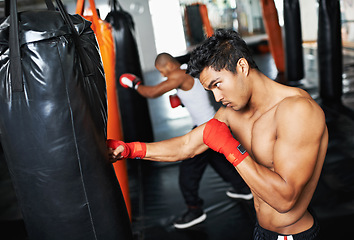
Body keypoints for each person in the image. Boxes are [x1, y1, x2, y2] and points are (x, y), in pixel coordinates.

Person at [108, 30, 328, 239]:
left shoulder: (297, 111)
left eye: (217, 84)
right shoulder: (231, 113)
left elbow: (285, 200)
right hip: (262, 231)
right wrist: (129, 149)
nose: (217, 97)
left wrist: (232, 149)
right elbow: (186, 146)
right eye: (210, 90)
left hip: (292, 235)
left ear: (241, 66)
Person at [118, 52, 252, 229]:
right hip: (216, 124)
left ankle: (194, 210)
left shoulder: (177, 75)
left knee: (187, 174)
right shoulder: (188, 70)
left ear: (167, 66)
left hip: (206, 130)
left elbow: (151, 92)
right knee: (218, 161)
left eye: (162, 71)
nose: (164, 75)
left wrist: (134, 84)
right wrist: (181, 100)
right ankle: (243, 188)